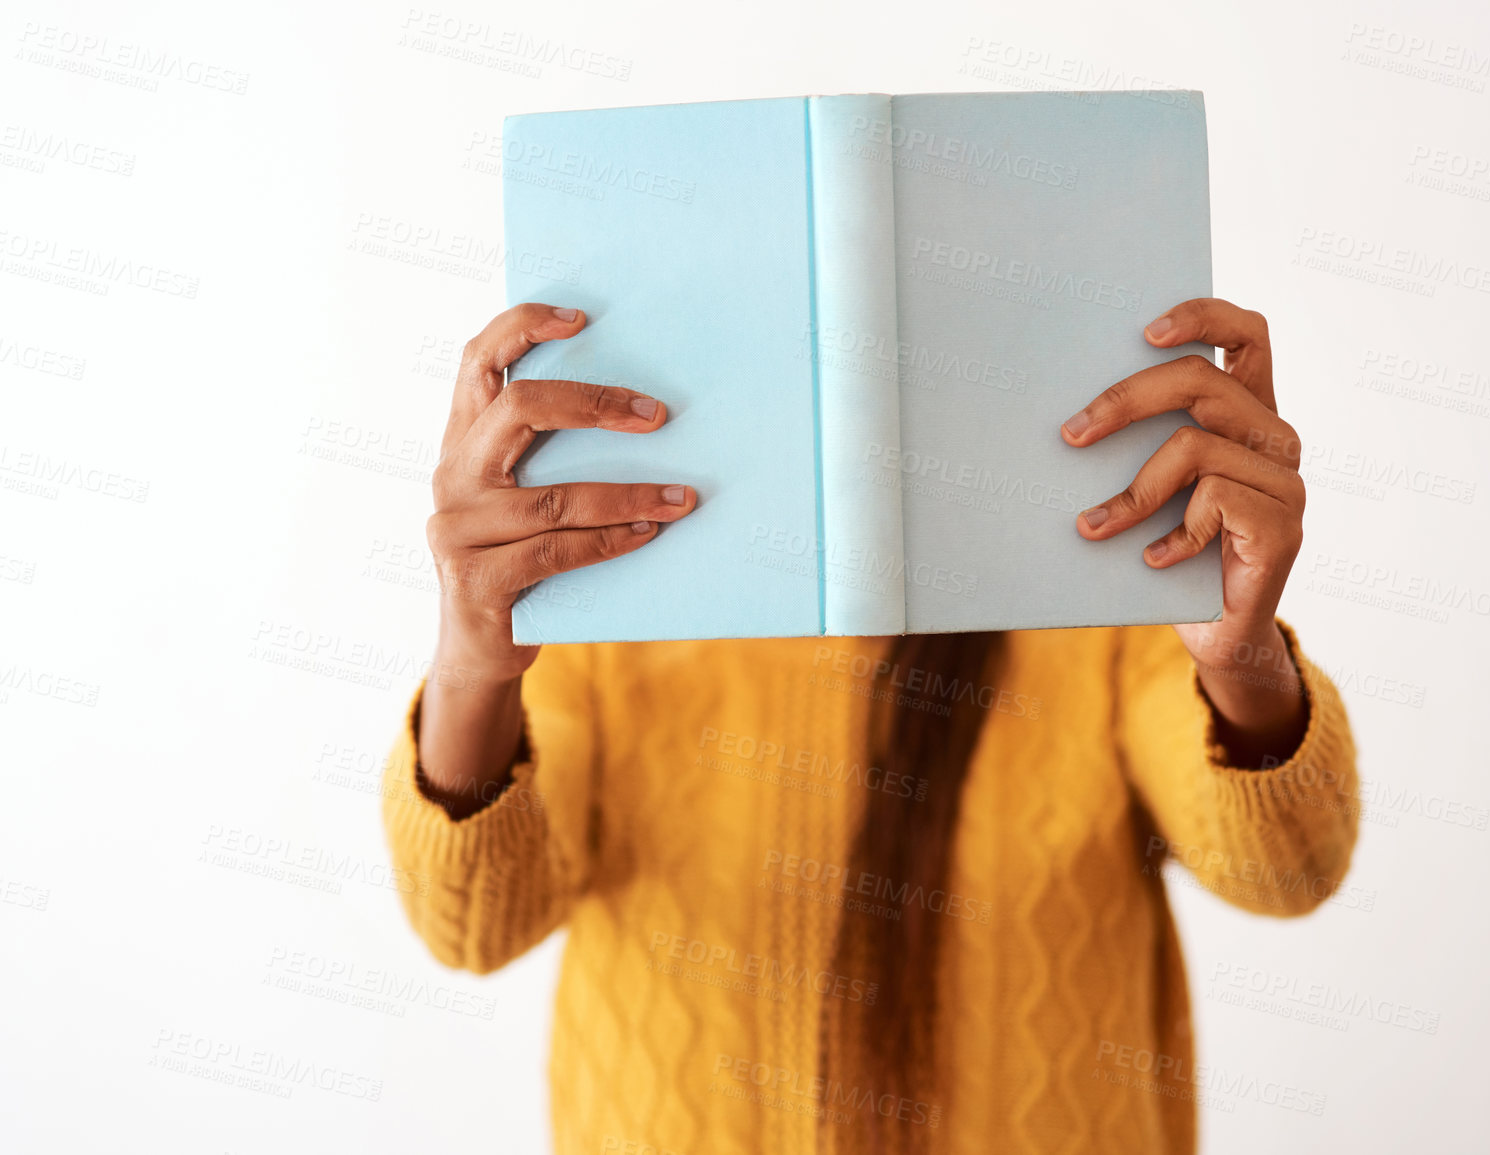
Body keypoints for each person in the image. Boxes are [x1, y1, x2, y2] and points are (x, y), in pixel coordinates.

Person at [380, 296, 1359, 1155]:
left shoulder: (1095, 586)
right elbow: (475, 923)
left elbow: (1287, 868)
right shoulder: (623, 590)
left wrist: (1242, 655)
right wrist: (473, 660)